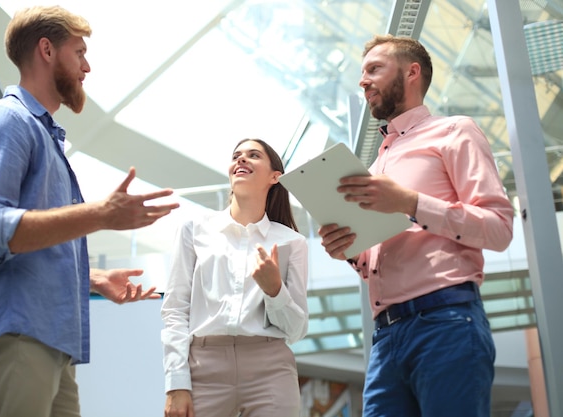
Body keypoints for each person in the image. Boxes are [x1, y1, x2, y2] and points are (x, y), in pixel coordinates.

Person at [0, 6, 179, 417]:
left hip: (51, 345)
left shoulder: (44, 137)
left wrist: (90, 278)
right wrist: (102, 215)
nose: (87, 67)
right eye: (79, 52)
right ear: (46, 50)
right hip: (17, 334)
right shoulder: (6, 122)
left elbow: (26, 243)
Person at [318, 34, 514, 417]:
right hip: (386, 337)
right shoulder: (374, 168)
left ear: (412, 72)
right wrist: (351, 250)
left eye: (374, 69)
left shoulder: (455, 131)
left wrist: (410, 202)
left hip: (446, 322)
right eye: (362, 72)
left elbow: (499, 228)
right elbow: (376, 257)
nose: (363, 81)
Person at [161, 138, 309, 417]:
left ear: (275, 177)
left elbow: (296, 330)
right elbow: (175, 310)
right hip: (203, 369)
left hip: (270, 370)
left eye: (253, 155)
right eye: (236, 156)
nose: (241, 160)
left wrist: (275, 290)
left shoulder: (293, 242)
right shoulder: (194, 230)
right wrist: (176, 384)